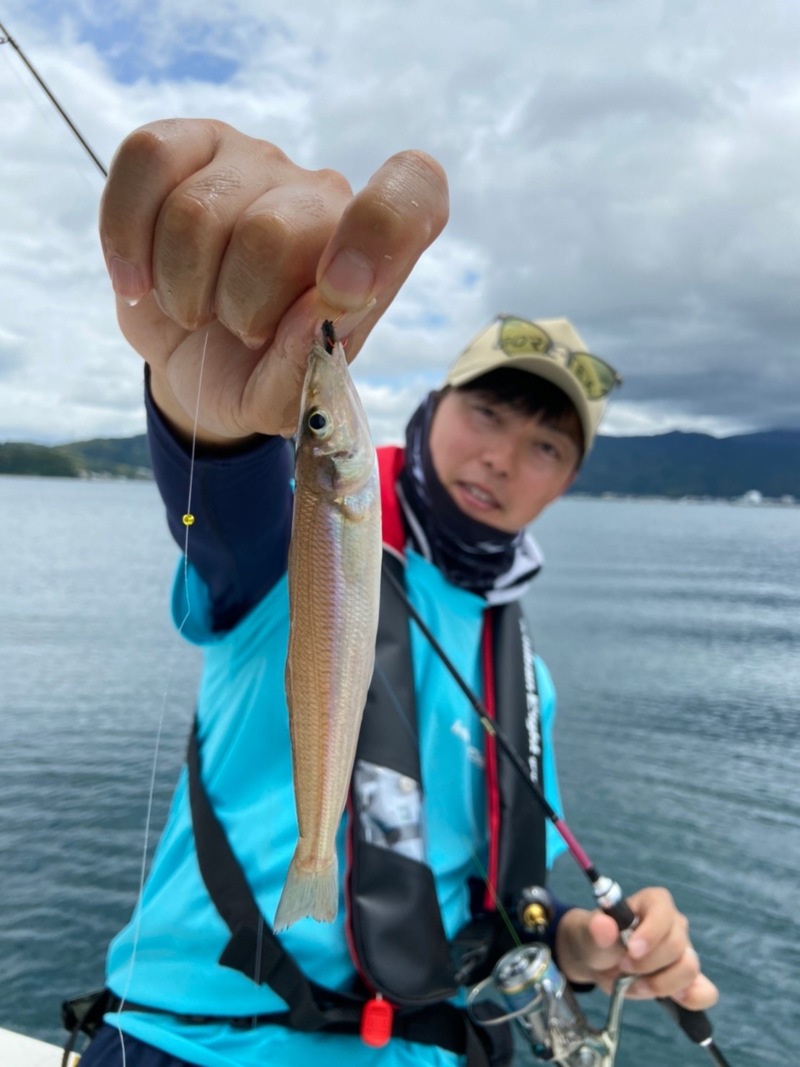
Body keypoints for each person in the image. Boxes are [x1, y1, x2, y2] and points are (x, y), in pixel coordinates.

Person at [72, 119, 718, 1067]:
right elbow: (226, 512)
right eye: (487, 412)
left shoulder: (524, 675)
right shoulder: (295, 540)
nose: (502, 456)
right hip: (188, 1042)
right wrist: (208, 408)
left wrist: (583, 948)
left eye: (546, 444)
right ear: (431, 407)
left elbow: (500, 894)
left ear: (567, 481)